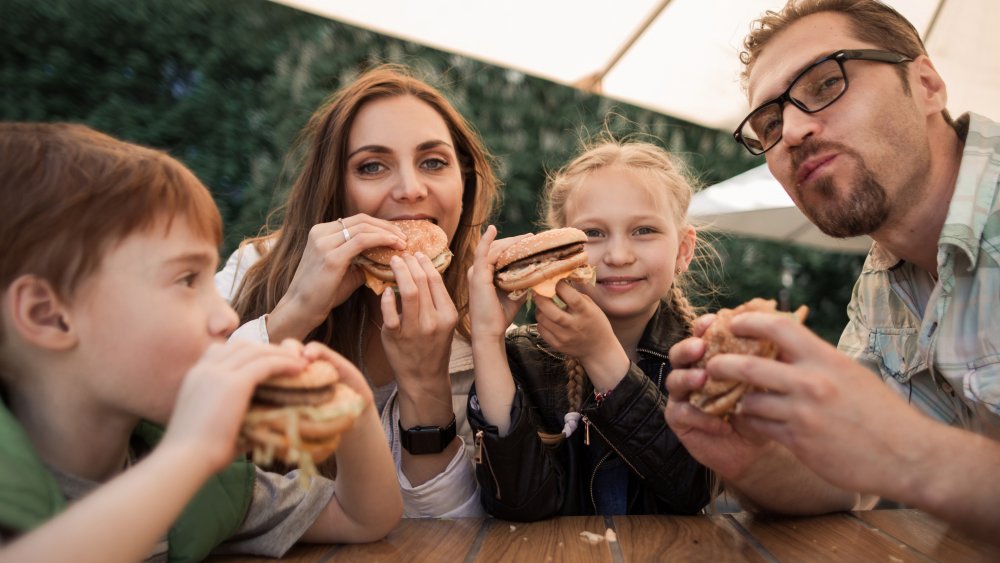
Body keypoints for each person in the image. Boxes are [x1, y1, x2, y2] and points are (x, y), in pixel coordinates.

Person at [664, 0, 1000, 543]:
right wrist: (749, 457)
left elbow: (891, 450)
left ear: (927, 84)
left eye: (825, 84)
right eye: (769, 123)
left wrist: (907, 450)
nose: (792, 130)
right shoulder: (882, 280)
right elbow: (845, 481)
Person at [0, 123, 402, 561]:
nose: (226, 317)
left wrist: (354, 412)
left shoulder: (201, 485)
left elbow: (364, 517)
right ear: (49, 315)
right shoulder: (183, 461)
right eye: (187, 280)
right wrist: (190, 453)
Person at [216, 64, 500, 518]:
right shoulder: (254, 271)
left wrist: (425, 384)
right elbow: (166, 437)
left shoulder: (481, 321)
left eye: (434, 162)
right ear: (335, 188)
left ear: (463, 182)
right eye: (372, 166)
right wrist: (290, 317)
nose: (410, 189)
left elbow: (455, 530)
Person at [466, 139, 711, 519]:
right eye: (593, 234)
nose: (617, 255)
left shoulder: (705, 357)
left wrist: (601, 355)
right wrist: (487, 338)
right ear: (556, 249)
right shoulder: (522, 355)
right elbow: (518, 503)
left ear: (683, 249)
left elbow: (691, 491)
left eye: (644, 230)